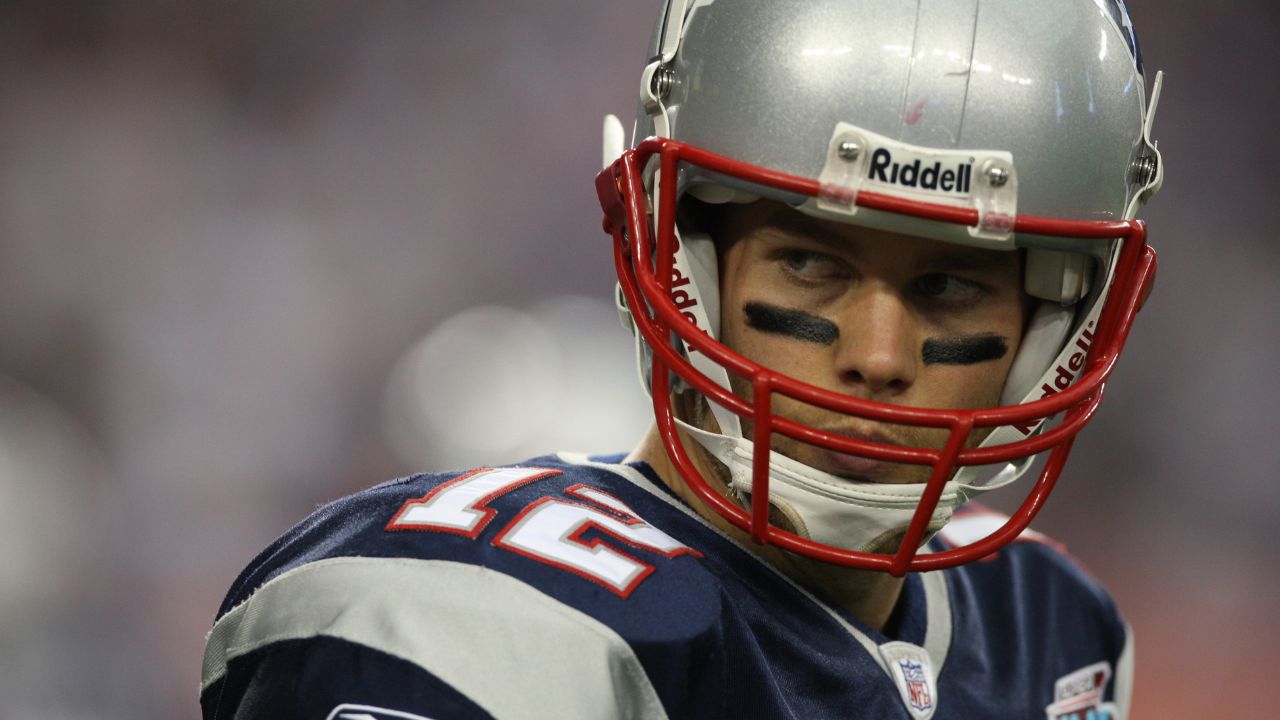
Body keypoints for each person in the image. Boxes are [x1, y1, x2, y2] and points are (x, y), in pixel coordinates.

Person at [200, 1, 1165, 718]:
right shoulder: (473, 623)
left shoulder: (1049, 628)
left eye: (950, 286)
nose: (878, 358)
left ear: (1056, 320)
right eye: (810, 263)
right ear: (679, 260)